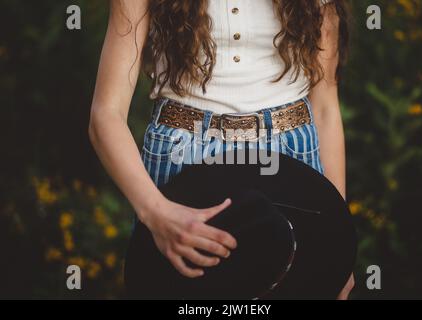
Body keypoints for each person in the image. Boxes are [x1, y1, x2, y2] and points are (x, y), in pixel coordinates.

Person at [88, 0, 354, 299]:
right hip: (183, 154)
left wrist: (338, 238)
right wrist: (156, 211)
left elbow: (325, 107)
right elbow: (106, 115)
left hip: (292, 156)